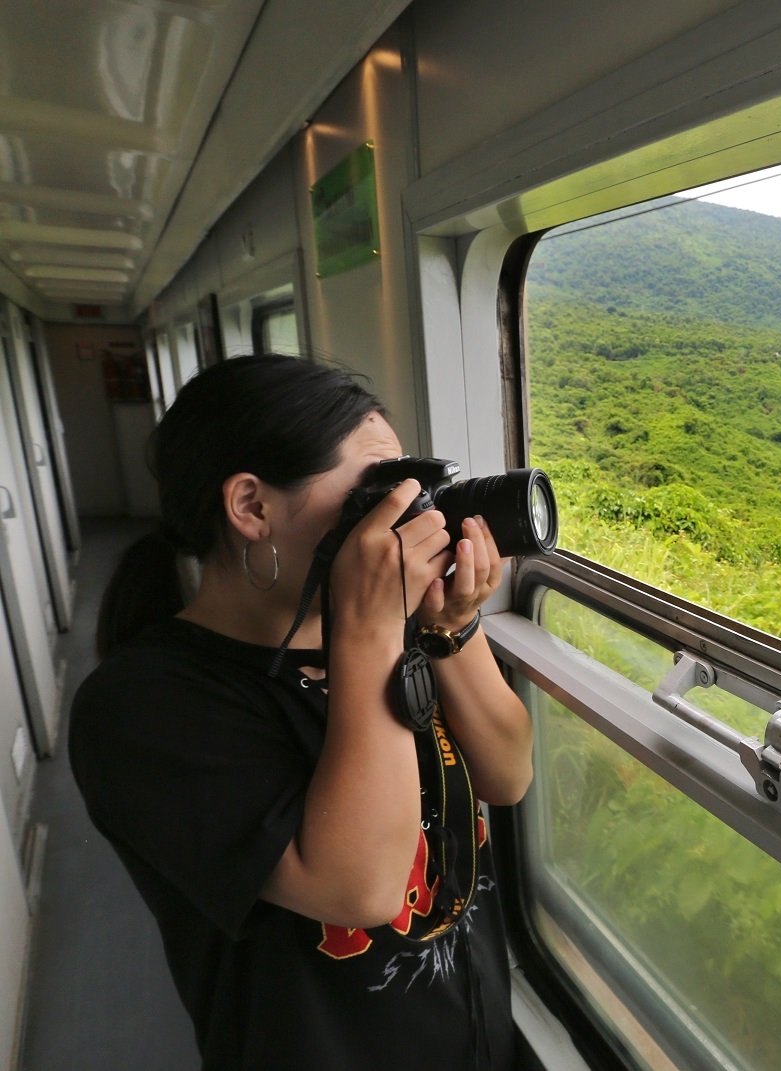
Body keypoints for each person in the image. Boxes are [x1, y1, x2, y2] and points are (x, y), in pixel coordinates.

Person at [70, 354, 533, 1070]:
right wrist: (375, 631)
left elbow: (507, 774)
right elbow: (359, 887)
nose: (406, 523)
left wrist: (453, 626)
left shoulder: (399, 630)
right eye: (376, 493)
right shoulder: (142, 706)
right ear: (251, 507)